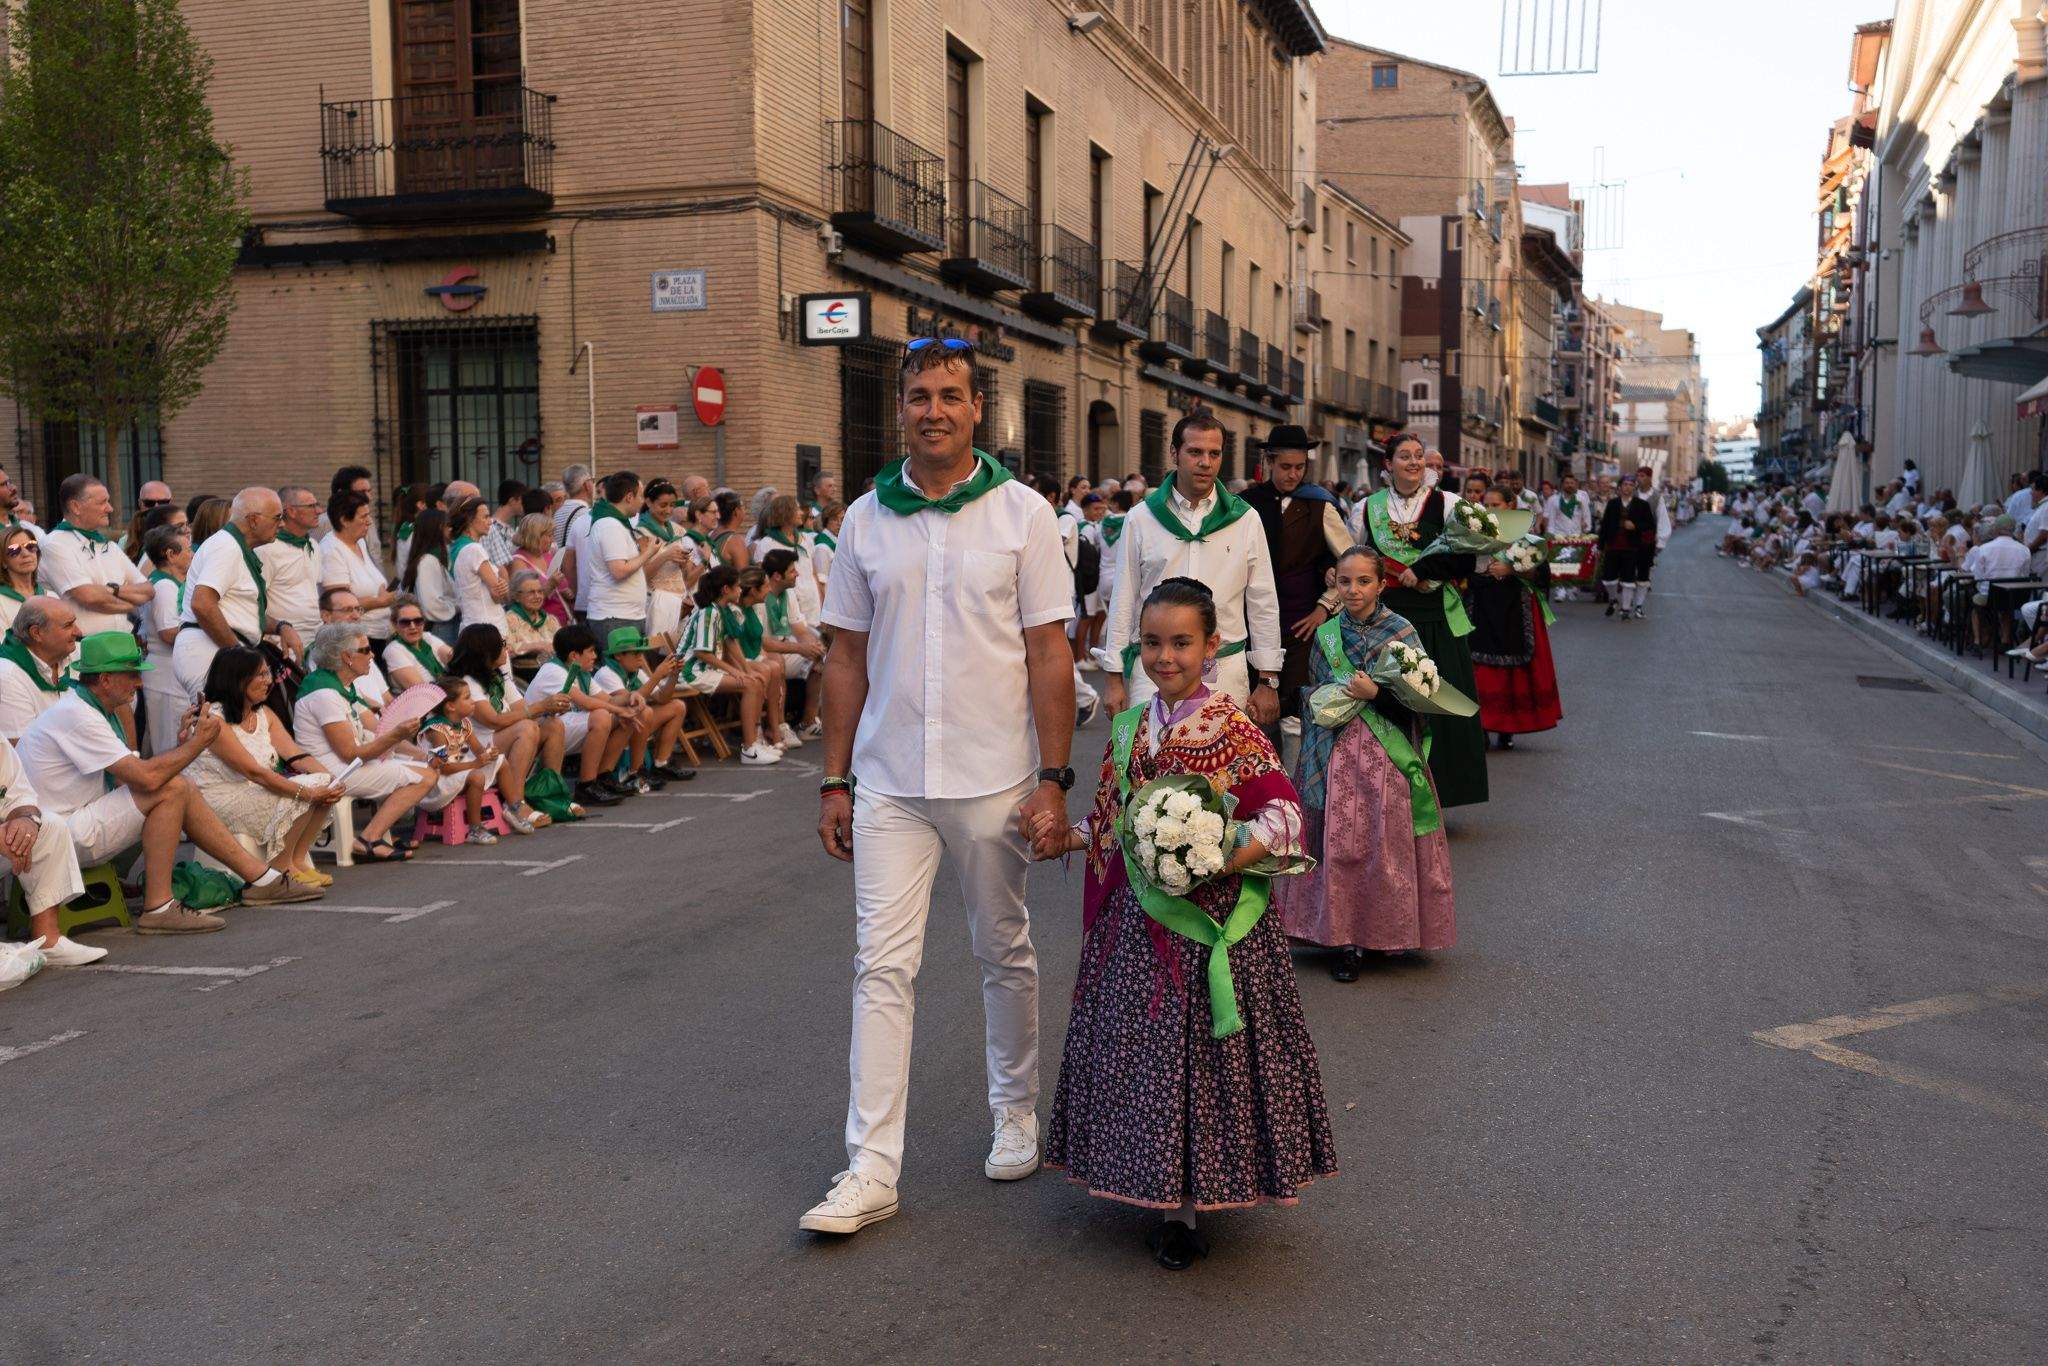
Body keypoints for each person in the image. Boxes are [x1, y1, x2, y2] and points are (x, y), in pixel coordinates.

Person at [801, 335, 1075, 1237]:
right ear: (902, 409)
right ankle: (872, 1166)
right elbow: (843, 655)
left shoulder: (1024, 514)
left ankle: (1015, 1109)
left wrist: (1053, 780)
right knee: (881, 966)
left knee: (1004, 951)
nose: (934, 411)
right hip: (887, 783)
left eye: (951, 395)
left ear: (976, 409)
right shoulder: (864, 521)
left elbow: (1048, 651)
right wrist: (834, 780)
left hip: (995, 778)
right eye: (919, 395)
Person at [1033, 577, 1333, 1269]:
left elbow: (1285, 818)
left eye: (1181, 643)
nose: (1165, 657)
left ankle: (1186, 1208)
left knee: (1197, 1057)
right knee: (1146, 1054)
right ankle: (1158, 1186)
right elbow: (1113, 818)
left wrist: (1214, 857)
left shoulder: (1232, 727)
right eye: (1152, 643)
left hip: (1209, 925)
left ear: (1211, 646)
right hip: (1137, 925)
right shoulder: (1132, 727)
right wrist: (1069, 840)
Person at [18, 631, 325, 933]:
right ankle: (163, 905)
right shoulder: (79, 715)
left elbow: (139, 773)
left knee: (176, 786)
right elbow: (147, 778)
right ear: (105, 679)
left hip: (64, 824)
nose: (139, 683)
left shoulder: (91, 708)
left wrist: (181, 747)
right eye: (131, 674)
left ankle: (258, 880)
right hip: (55, 834)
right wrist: (194, 745)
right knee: (173, 788)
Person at [1276, 548, 1455, 979]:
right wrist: (1327, 699)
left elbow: (1421, 698)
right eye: (1344, 582)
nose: (1353, 590)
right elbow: (1314, 690)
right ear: (1333, 583)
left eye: (1363, 582)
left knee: (1382, 843)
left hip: (1386, 756)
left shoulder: (1402, 632)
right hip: (1336, 754)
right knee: (1343, 844)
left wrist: (1376, 694)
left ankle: (1384, 930)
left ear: (1381, 585)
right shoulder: (1328, 634)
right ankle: (1346, 939)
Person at [1102, 412, 1282, 720]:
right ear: (1174, 453)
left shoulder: (1245, 519)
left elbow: (1263, 601)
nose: (1205, 462)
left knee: (1222, 766)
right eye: (1195, 452)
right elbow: (1124, 598)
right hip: (1157, 670)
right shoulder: (1142, 518)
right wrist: (1114, 677)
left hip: (1224, 670)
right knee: (1154, 762)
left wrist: (1268, 679)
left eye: (1214, 453)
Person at [1353, 433, 1488, 810]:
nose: (1414, 462)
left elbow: (1470, 555)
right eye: (1404, 456)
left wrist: (1428, 572)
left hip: (1434, 618)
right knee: (1389, 704)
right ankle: (1389, 797)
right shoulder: (1367, 508)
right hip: (1385, 621)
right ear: (1387, 465)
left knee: (1437, 703)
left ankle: (1440, 793)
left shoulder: (1448, 504)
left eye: (1418, 457)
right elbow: (1357, 556)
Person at [191, 647, 347, 888]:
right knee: (301, 793)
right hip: (220, 796)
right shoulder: (215, 719)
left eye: (268, 673)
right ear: (237, 679)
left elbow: (295, 755)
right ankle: (281, 866)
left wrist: (331, 779)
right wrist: (306, 792)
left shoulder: (263, 713)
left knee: (323, 785)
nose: (269, 681)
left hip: (254, 787)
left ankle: (296, 860)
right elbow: (253, 772)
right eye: (261, 675)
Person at [291, 621, 441, 861]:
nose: (372, 654)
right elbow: (350, 753)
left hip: (348, 765)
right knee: (426, 776)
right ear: (346, 657)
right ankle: (369, 838)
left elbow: (376, 730)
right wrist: (396, 735)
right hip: (335, 772)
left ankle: (374, 835)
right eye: (365, 650)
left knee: (427, 767)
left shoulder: (343, 686)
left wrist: (417, 752)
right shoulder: (325, 694)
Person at [1239, 426, 1353, 723]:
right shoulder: (1245, 503)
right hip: (1251, 623)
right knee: (1249, 710)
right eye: (1285, 467)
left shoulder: (1321, 504)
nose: (1293, 474)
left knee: (1295, 712)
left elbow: (1353, 564)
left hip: (1301, 627)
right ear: (1269, 463)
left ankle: (1294, 771)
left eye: (1300, 467)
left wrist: (1323, 607)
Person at [1465, 487, 1563, 749]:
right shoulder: (1474, 532)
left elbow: (1542, 574)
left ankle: (1507, 727)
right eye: (1487, 504)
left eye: (1496, 504)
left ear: (1511, 505)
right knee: (1479, 667)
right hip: (1482, 604)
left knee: (1512, 666)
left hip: (1515, 607)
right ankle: (1483, 726)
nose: (1490, 509)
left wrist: (1512, 568)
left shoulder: (1526, 536)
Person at [442, 624, 564, 831]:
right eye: (501, 644)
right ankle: (515, 803)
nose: (506, 649)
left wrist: (547, 710)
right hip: (475, 747)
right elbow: (493, 721)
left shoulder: (497, 676)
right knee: (526, 727)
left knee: (553, 725)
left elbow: (521, 708)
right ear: (486, 652)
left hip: (499, 737)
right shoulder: (468, 682)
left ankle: (549, 794)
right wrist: (541, 706)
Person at [523, 623, 636, 808]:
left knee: (627, 718)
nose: (595, 656)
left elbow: (607, 700)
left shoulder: (580, 671)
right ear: (574, 655)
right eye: (591, 651)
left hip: (561, 729)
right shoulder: (554, 671)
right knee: (601, 715)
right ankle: (586, 786)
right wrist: (619, 709)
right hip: (542, 737)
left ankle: (603, 777)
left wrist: (631, 698)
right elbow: (587, 702)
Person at [677, 566, 779, 766]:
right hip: (690, 672)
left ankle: (754, 742)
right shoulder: (708, 613)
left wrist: (746, 670)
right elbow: (701, 652)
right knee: (750, 685)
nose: (741, 590)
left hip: (704, 669)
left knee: (754, 680)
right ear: (725, 590)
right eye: (737, 587)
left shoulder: (721, 610)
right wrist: (734, 671)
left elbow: (731, 643)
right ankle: (749, 749)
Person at [38, 474, 152, 639]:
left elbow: (148, 590)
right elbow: (89, 597)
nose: (110, 508)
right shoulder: (55, 544)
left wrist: (112, 590)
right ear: (76, 507)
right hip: (82, 651)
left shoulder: (109, 545)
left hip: (123, 645)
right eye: (102, 502)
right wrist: (130, 602)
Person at [596, 626, 696, 787]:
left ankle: (661, 764)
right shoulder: (606, 673)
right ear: (618, 655)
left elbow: (662, 698)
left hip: (632, 725)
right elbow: (632, 702)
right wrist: (657, 675)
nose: (641, 658)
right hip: (614, 729)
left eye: (642, 653)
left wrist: (673, 675)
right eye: (636, 653)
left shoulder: (635, 671)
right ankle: (635, 771)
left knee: (677, 706)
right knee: (645, 711)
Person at [584, 471, 672, 644]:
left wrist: (641, 551)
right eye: (640, 496)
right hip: (615, 616)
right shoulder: (610, 525)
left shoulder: (617, 523)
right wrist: (648, 553)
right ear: (629, 497)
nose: (642, 502)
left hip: (624, 614)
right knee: (619, 670)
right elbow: (618, 570)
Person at [757, 547, 827, 740]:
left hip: (781, 647)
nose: (797, 574)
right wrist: (799, 647)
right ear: (778, 576)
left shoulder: (787, 594)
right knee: (777, 660)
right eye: (792, 571)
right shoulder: (759, 597)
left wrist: (814, 647)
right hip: (759, 652)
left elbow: (800, 630)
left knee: (821, 658)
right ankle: (778, 725)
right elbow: (762, 643)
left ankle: (808, 722)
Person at [319, 488, 395, 657]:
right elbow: (339, 605)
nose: (369, 521)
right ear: (345, 520)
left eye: (369, 515)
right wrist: (379, 602)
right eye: (363, 516)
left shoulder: (359, 542)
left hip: (379, 634)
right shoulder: (331, 551)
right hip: (356, 641)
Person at [138, 525, 192, 757]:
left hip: (174, 674)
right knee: (169, 743)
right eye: (188, 550)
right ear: (171, 555)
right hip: (166, 677)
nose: (193, 554)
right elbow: (168, 632)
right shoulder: (164, 586)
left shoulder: (175, 583)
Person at [0, 597, 81, 743]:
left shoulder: (75, 652)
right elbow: (22, 751)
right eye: (68, 625)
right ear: (36, 633)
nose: (79, 631)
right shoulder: (7, 677)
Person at [257, 485, 325, 645]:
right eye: (311, 506)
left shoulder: (313, 545)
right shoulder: (267, 549)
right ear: (291, 511)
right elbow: (256, 600)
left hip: (315, 636)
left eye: (317, 504)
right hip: (284, 641)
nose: (319, 510)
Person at [638, 479, 697, 648]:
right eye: (663, 505)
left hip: (680, 598)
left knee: (679, 650)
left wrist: (685, 562)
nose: (668, 510)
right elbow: (641, 575)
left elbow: (686, 572)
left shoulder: (678, 530)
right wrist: (665, 556)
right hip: (656, 598)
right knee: (656, 649)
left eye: (672, 505)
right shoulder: (641, 532)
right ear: (648, 502)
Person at [448, 495, 511, 637]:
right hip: (489, 628)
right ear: (469, 519)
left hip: (471, 624)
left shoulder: (456, 547)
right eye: (485, 517)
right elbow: (499, 595)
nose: (490, 522)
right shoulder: (474, 550)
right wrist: (505, 587)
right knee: (501, 659)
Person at [400, 508, 461, 643]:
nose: (450, 529)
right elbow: (431, 605)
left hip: (447, 624)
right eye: (447, 525)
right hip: (442, 627)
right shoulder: (427, 561)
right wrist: (457, 606)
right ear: (438, 528)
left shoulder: (436, 557)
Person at [1599, 474, 1656, 620]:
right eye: (1625, 484)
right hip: (1613, 545)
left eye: (1631, 485)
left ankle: (1625, 609)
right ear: (1619, 487)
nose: (1628, 487)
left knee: (1628, 580)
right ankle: (1613, 599)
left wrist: (1635, 526)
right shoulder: (1612, 504)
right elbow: (1604, 525)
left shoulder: (1642, 505)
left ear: (1634, 487)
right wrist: (1600, 546)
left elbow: (1650, 524)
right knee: (1608, 579)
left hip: (1632, 547)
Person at [510, 512, 573, 624]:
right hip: (539, 625)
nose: (552, 540)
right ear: (535, 536)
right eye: (549, 535)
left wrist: (564, 592)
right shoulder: (519, 561)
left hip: (560, 621)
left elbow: (558, 587)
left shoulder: (547, 555)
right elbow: (524, 600)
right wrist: (550, 585)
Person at [553, 464, 597, 619]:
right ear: (587, 485)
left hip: (558, 587)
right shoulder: (586, 516)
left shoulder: (557, 513)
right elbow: (573, 560)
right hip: (577, 593)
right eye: (592, 480)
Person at [384, 596, 453, 691]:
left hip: (445, 695)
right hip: (424, 702)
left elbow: (455, 659)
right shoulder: (393, 650)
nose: (412, 626)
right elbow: (421, 692)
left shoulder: (426, 637)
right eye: (405, 622)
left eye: (418, 621)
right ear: (395, 624)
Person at [0, 525, 43, 633]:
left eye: (30, 546)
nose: (25, 554)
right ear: (3, 561)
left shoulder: (51, 596)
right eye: (14, 550)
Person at [484, 479, 527, 567]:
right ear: (512, 500)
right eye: (523, 501)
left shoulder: (509, 529)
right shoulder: (491, 527)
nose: (525, 505)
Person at [1542, 473, 1591, 538]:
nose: (1569, 485)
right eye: (1567, 483)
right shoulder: (1553, 500)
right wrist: (1550, 535)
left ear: (1575, 484)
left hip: (1577, 537)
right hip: (1558, 537)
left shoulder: (1582, 499)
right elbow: (1551, 520)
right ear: (1562, 485)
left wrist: (1586, 530)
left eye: (1572, 483)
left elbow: (1586, 516)